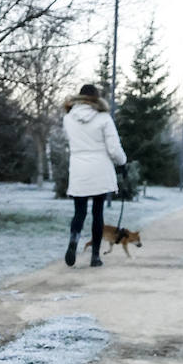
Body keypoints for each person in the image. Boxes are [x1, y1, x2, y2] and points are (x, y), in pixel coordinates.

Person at [62, 84, 127, 268]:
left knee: (79, 211)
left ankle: (74, 239)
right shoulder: (104, 118)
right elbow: (114, 148)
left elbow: (70, 141)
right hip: (100, 169)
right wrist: (122, 163)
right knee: (97, 213)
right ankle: (95, 256)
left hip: (78, 169)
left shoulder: (68, 119)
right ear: (97, 99)